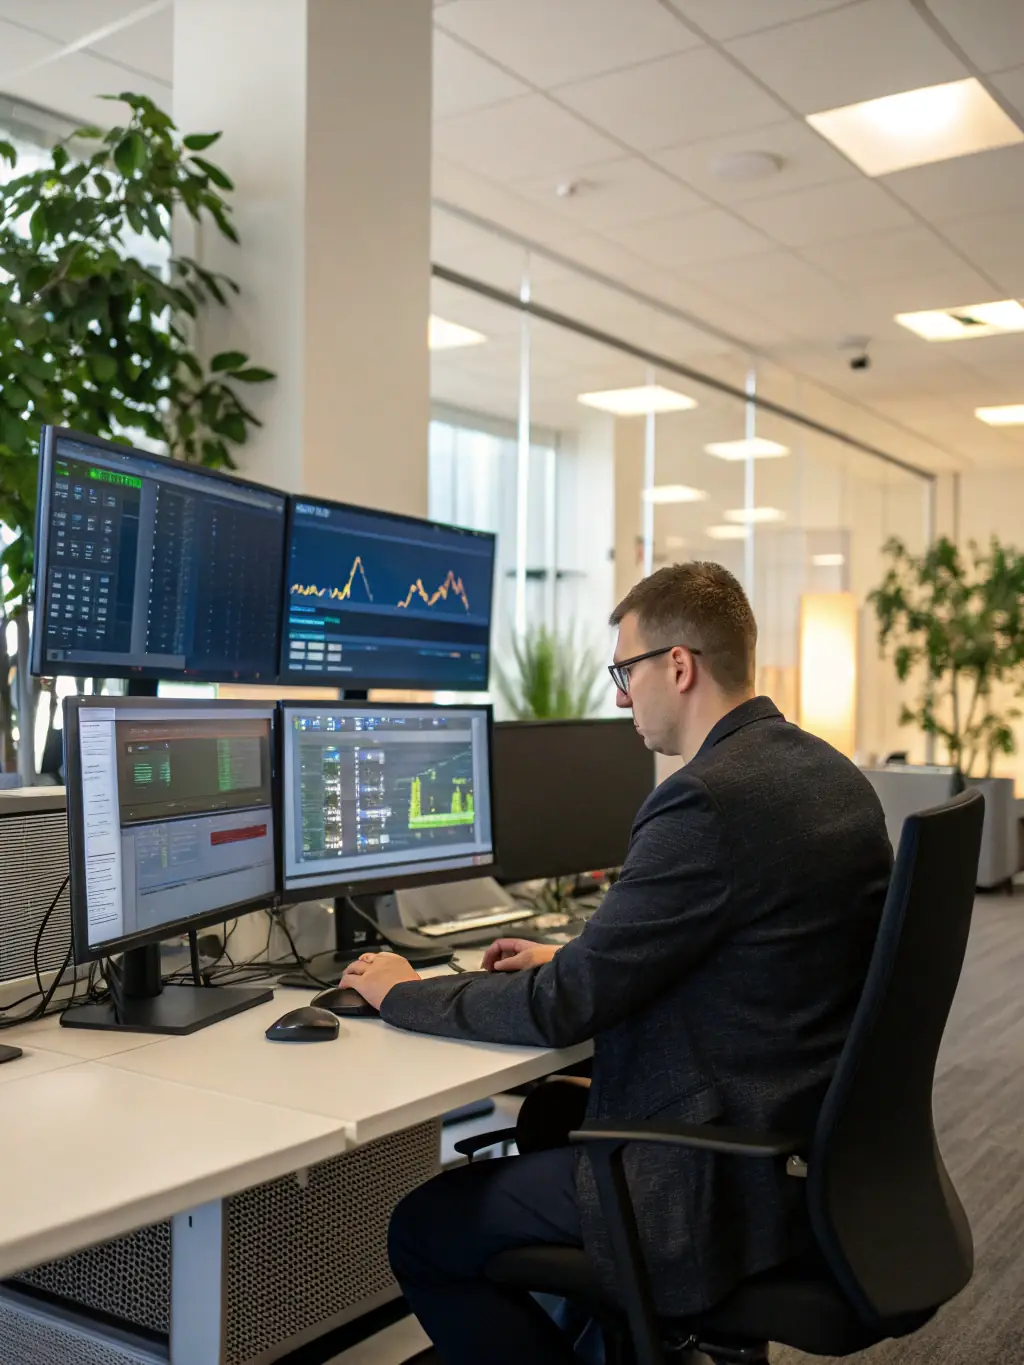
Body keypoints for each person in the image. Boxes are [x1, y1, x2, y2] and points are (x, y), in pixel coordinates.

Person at [341, 562, 893, 1365]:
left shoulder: (706, 799)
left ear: (680, 665)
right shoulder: (827, 774)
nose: (622, 697)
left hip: (713, 1190)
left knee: (424, 1228)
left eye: (625, 671)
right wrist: (580, 952)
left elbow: (562, 1006)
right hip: (804, 1156)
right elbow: (756, 949)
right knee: (546, 1116)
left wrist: (403, 992)